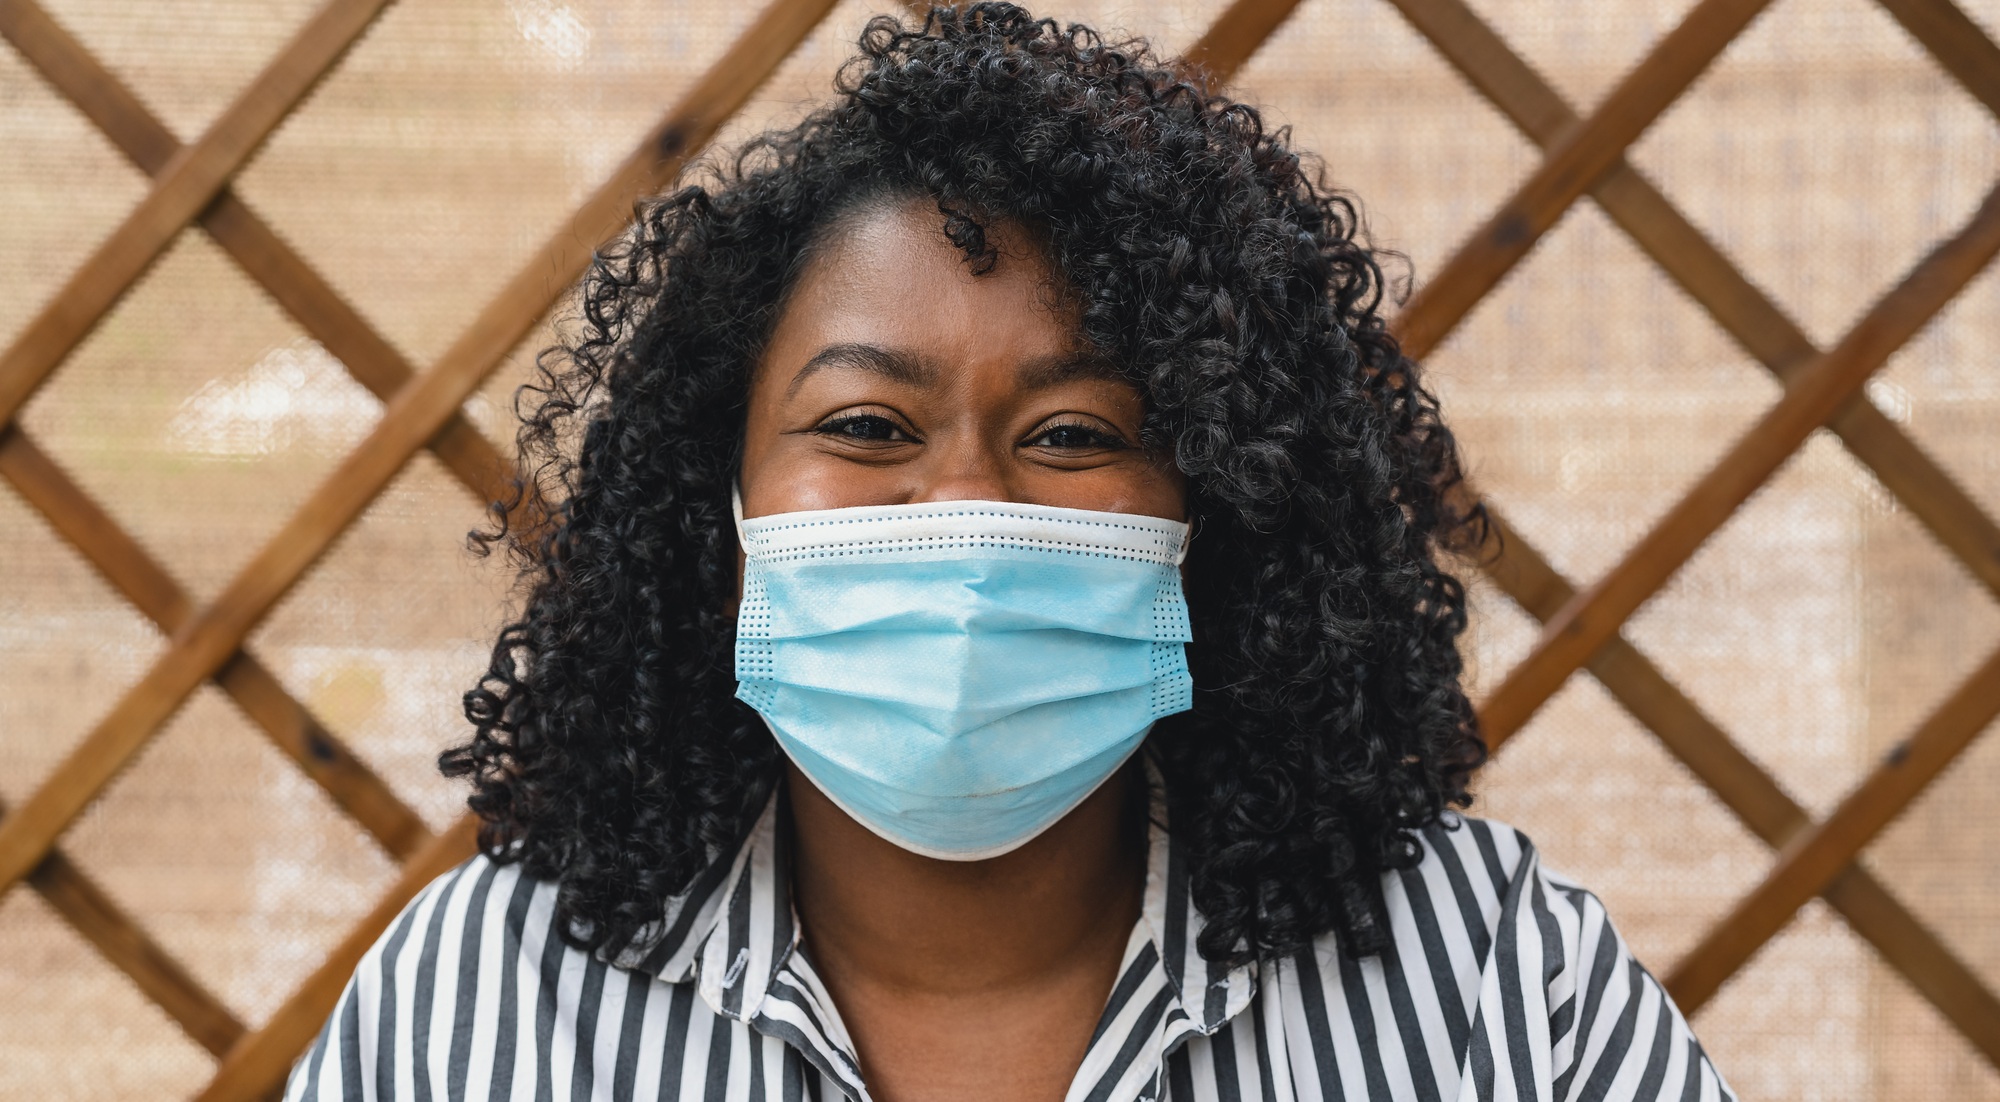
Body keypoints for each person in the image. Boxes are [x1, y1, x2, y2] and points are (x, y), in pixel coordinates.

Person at [285, 6, 1733, 1100]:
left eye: (1073, 434)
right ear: (714, 510)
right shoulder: (474, 1007)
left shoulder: (1486, 980)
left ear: (1213, 507)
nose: (962, 509)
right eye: (864, 422)